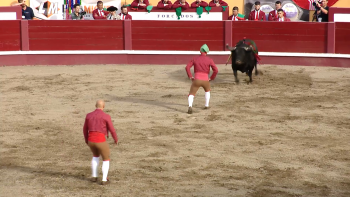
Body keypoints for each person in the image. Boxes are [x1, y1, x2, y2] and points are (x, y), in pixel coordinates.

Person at [83, 100, 118, 185]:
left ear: (95, 105)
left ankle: (94, 176)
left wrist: (87, 140)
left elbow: (85, 129)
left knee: (95, 156)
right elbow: (112, 129)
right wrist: (115, 139)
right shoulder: (106, 116)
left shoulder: (88, 115)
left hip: (91, 140)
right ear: (103, 106)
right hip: (100, 140)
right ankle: (104, 179)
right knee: (106, 159)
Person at [185, 44, 218, 114]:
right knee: (207, 91)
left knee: (191, 94)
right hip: (206, 80)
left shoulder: (195, 58)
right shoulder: (209, 60)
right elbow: (216, 70)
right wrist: (211, 78)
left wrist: (190, 76)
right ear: (207, 52)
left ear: (200, 51)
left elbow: (187, 67)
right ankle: (206, 105)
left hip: (196, 79)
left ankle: (190, 106)